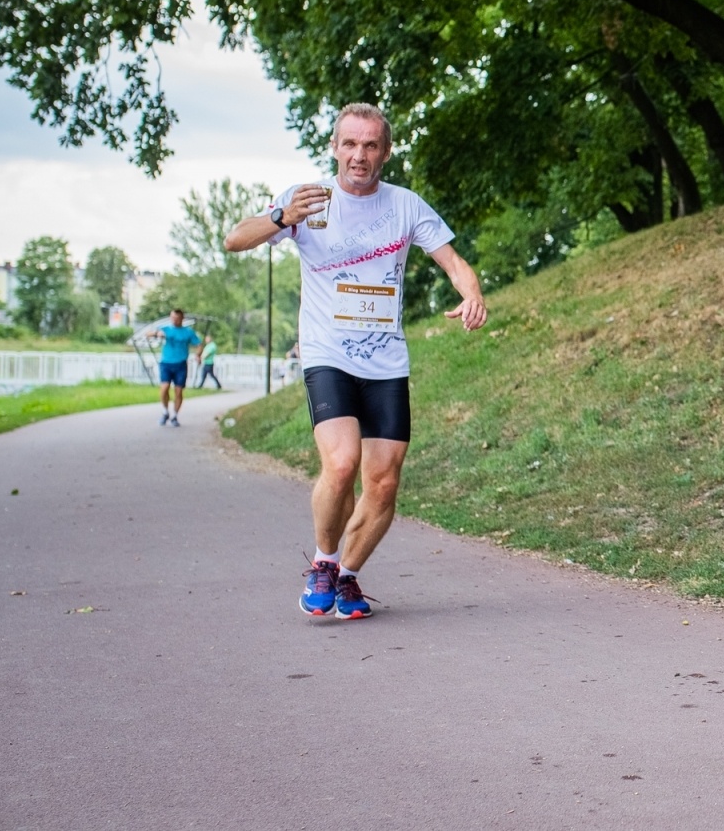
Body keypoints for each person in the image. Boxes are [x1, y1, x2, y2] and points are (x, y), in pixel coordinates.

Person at [223, 102, 487, 620]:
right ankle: (323, 561)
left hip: (386, 362)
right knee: (342, 463)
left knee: (384, 483)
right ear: (334, 147)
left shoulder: (406, 205)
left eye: (370, 146)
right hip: (328, 354)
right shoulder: (307, 201)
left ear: (385, 152)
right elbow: (235, 240)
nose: (359, 155)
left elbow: (454, 262)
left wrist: (473, 294)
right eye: (350, 144)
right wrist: (282, 217)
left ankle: (348, 576)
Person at [149, 309, 201, 427]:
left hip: (181, 364)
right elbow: (148, 334)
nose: (174, 320)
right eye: (172, 318)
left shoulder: (188, 332)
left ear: (182, 319)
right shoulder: (165, 329)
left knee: (178, 391)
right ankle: (165, 411)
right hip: (166, 363)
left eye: (177, 318)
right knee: (164, 388)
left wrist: (198, 355)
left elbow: (198, 344)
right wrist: (157, 334)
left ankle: (174, 416)